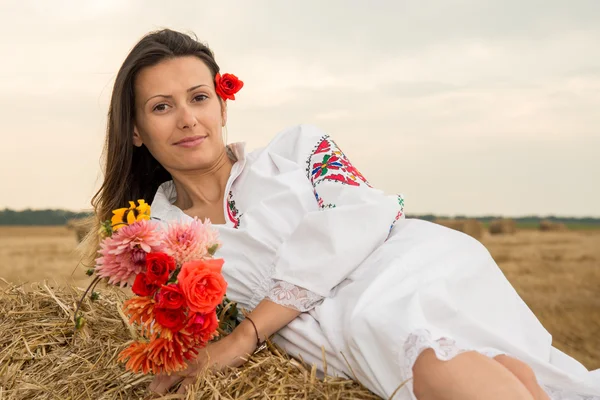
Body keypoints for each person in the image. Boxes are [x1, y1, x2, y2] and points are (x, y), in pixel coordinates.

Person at [87, 28, 600, 400]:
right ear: (135, 130)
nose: (187, 119)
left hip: (404, 276)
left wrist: (246, 336)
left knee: (442, 364)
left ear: (223, 107)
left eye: (199, 97)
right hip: (339, 332)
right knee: (514, 381)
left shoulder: (299, 148)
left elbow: (362, 214)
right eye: (161, 106)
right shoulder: (152, 242)